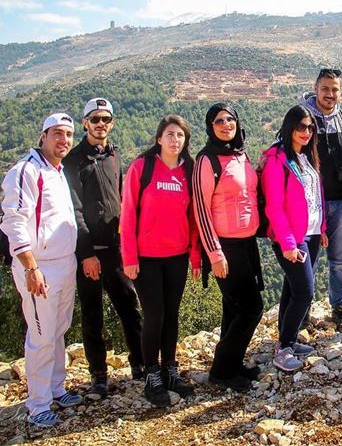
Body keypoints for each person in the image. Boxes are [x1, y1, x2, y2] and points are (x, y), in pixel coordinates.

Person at [0, 113, 83, 429]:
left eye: (68, 135)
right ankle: (37, 405)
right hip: (41, 267)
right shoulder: (26, 170)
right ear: (43, 135)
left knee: (59, 329)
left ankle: (56, 388)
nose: (64, 140)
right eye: (57, 134)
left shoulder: (57, 171)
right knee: (40, 335)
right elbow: (14, 221)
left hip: (65, 262)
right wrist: (30, 267)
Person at [64, 98, 143, 398]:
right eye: (95, 119)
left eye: (106, 119)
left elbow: (122, 198)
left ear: (112, 123)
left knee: (130, 308)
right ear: (84, 123)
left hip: (117, 248)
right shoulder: (73, 162)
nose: (100, 124)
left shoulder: (114, 156)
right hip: (90, 251)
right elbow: (75, 210)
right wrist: (86, 254)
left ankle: (140, 363)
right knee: (92, 315)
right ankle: (98, 374)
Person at [120, 115, 200, 405]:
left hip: (177, 256)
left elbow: (192, 219)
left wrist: (194, 255)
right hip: (146, 258)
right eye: (170, 134)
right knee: (154, 315)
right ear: (159, 138)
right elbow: (128, 214)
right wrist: (129, 257)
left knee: (172, 314)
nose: (175, 140)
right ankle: (151, 373)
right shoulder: (142, 168)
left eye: (180, 135)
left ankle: (170, 369)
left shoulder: (188, 171)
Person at [192, 103, 264, 392]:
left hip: (246, 243)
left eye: (230, 119)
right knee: (251, 308)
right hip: (224, 247)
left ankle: (232, 364)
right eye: (218, 121)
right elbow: (201, 209)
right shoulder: (207, 160)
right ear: (210, 127)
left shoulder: (239, 154)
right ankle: (222, 370)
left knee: (234, 309)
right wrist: (214, 253)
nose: (225, 124)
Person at [260, 105, 328, 372]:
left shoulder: (306, 157)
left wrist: (321, 228)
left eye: (311, 128)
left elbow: (314, 198)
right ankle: (284, 348)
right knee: (304, 292)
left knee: (292, 288)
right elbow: (274, 207)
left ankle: (286, 340)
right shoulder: (278, 160)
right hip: (290, 237)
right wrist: (288, 244)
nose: (306, 132)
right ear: (289, 127)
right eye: (301, 127)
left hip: (310, 234)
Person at [301, 68, 342, 336]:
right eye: (325, 88)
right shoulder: (303, 118)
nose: (330, 94)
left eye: (335, 89)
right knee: (306, 260)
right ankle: (301, 312)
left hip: (340, 199)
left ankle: (339, 310)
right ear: (315, 88)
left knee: (338, 261)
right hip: (309, 204)